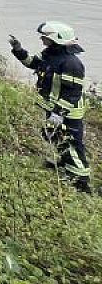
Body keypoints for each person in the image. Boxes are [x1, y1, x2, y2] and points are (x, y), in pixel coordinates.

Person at [9, 21, 91, 192]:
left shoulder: (71, 64)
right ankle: (65, 163)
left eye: (45, 37)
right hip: (54, 108)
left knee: (72, 142)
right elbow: (32, 62)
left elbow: (73, 93)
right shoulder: (49, 54)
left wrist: (59, 113)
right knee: (55, 135)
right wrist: (18, 50)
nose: (42, 39)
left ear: (57, 40)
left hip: (68, 112)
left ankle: (81, 179)